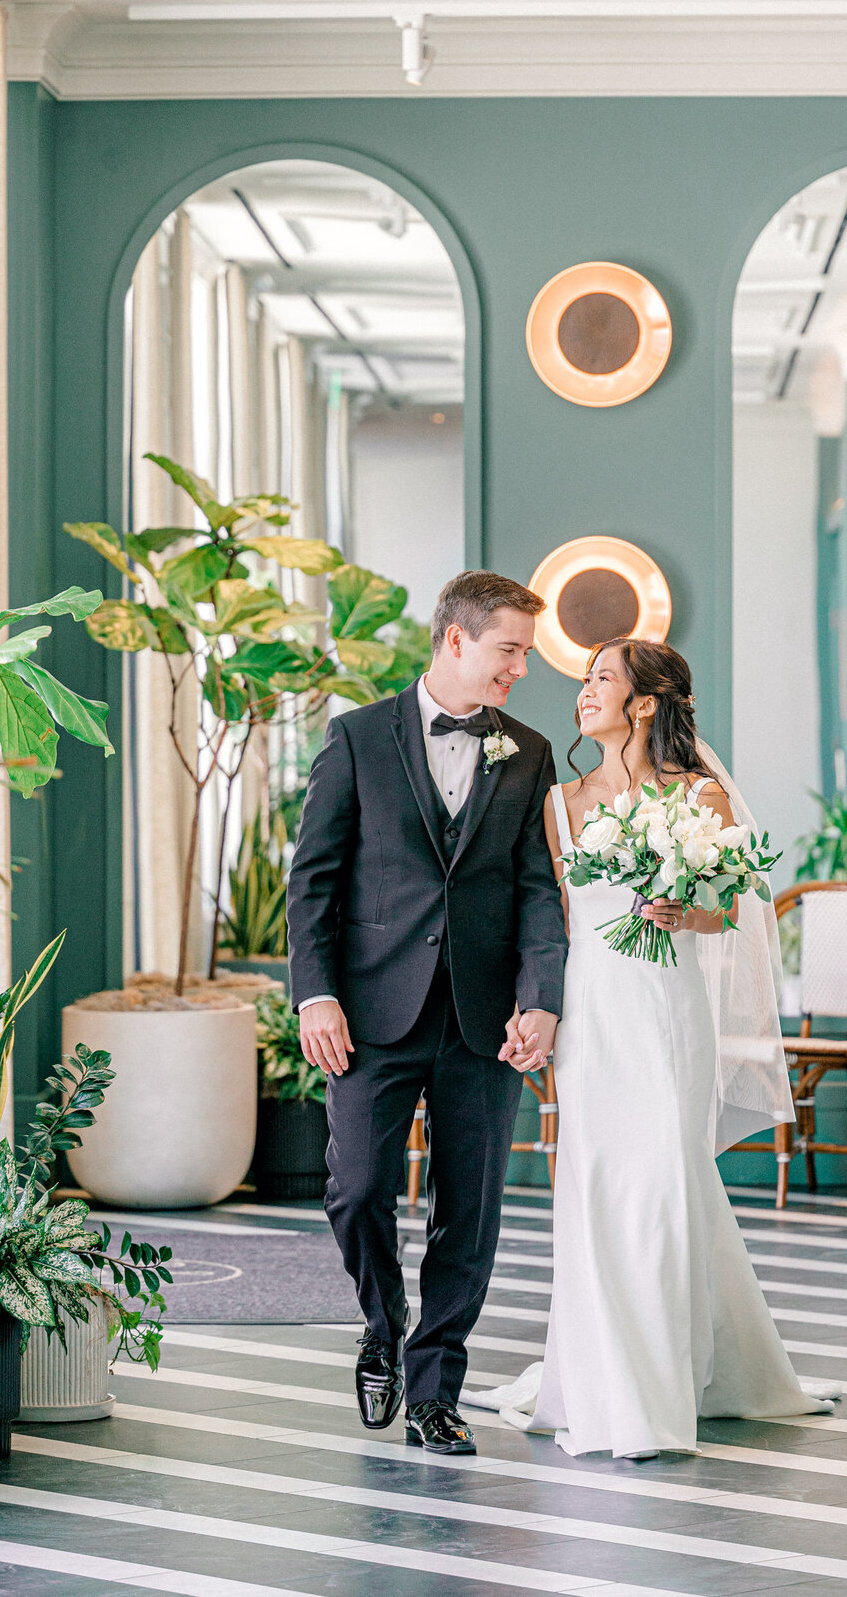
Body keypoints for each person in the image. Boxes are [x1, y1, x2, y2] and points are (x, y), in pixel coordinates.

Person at [488, 637, 835, 1459]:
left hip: (669, 1011)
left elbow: (734, 912)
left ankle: (668, 1384)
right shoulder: (562, 802)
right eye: (585, 680)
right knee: (598, 1185)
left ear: (645, 702)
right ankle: (604, 1381)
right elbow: (554, 923)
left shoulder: (700, 795)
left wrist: (689, 913)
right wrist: (538, 1013)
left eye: (601, 679)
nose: (584, 692)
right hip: (594, 1012)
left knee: (666, 1183)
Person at [286, 570, 567, 1457]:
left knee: (470, 1210)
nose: (521, 669)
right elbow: (313, 881)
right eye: (510, 650)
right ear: (456, 640)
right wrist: (315, 992)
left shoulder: (526, 750)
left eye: (525, 653)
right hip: (369, 1012)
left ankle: (435, 1386)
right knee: (358, 1185)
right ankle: (384, 1319)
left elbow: (536, 892)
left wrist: (542, 1001)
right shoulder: (358, 738)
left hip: (483, 1021)